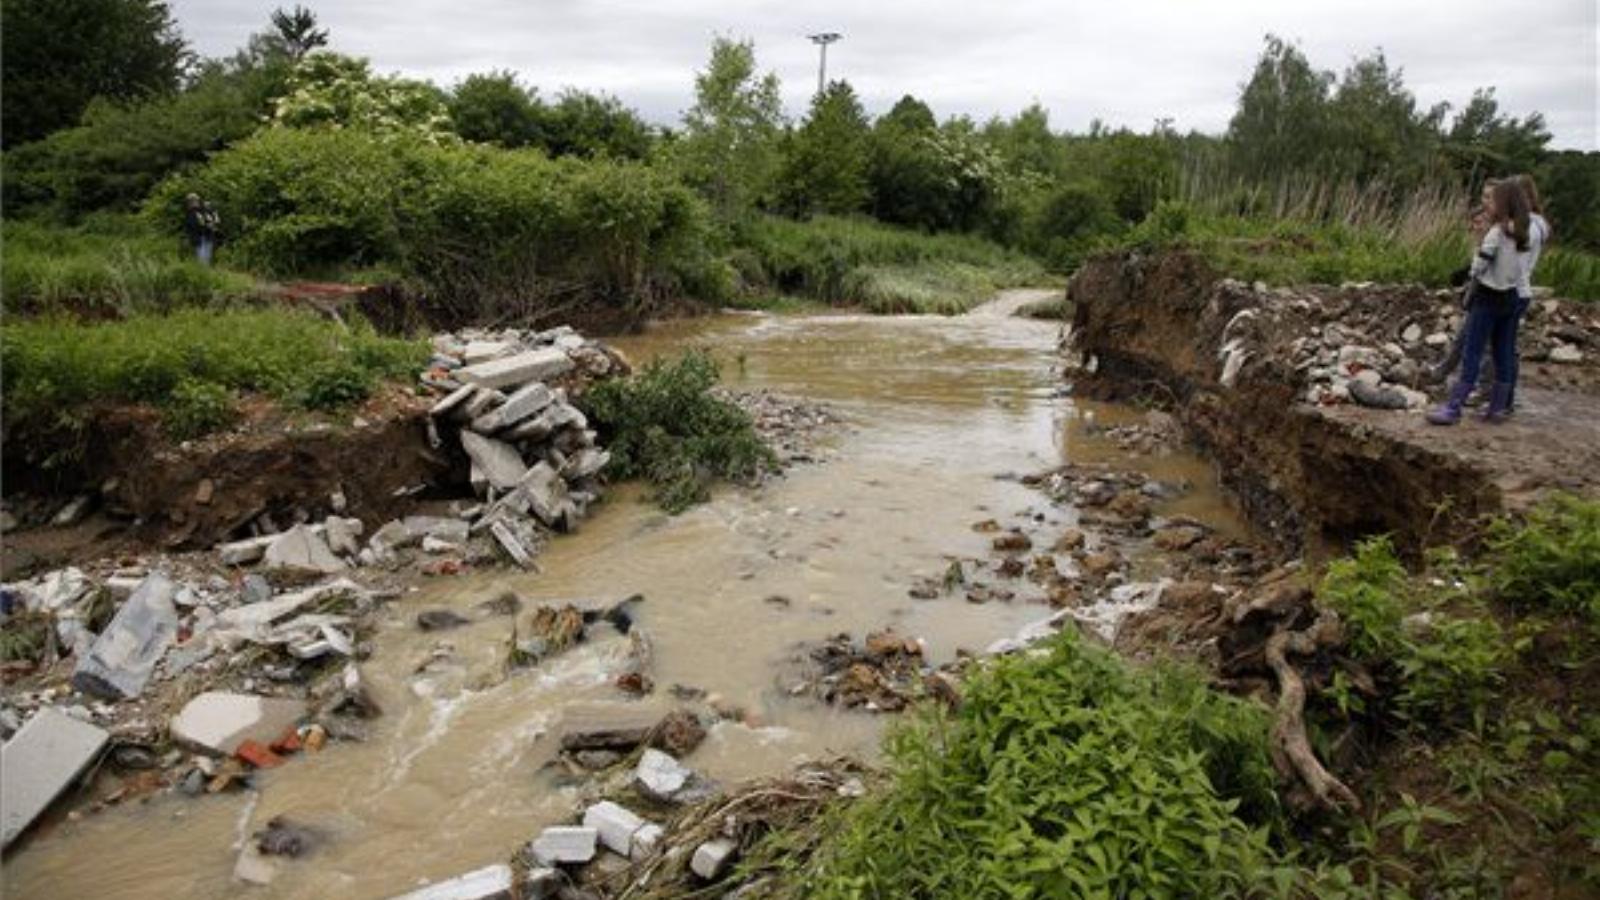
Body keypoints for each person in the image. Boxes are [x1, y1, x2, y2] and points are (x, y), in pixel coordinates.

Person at [1427, 180, 1531, 426]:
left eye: (1493, 200)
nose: (1488, 205)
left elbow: (1480, 266)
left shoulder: (1497, 232)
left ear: (1503, 204)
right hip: (1512, 296)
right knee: (1503, 352)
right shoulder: (1522, 232)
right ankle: (1496, 409)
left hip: (1488, 296)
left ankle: (1453, 407)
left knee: (1472, 351)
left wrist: (1473, 268)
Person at [1504, 173, 1551, 413]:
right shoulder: (1538, 224)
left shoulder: (1529, 226)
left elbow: (1516, 263)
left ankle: (1504, 399)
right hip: (1521, 289)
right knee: (1506, 346)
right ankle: (1504, 397)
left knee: (1504, 347)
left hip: (1513, 290)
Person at [183, 193, 220, 265]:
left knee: (206, 258)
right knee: (202, 259)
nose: (195, 202)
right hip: (199, 238)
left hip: (207, 236)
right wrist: (206, 225)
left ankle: (205, 273)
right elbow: (193, 226)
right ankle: (202, 273)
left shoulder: (203, 211)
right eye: (193, 201)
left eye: (196, 200)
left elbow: (213, 220)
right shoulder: (191, 213)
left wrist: (210, 224)